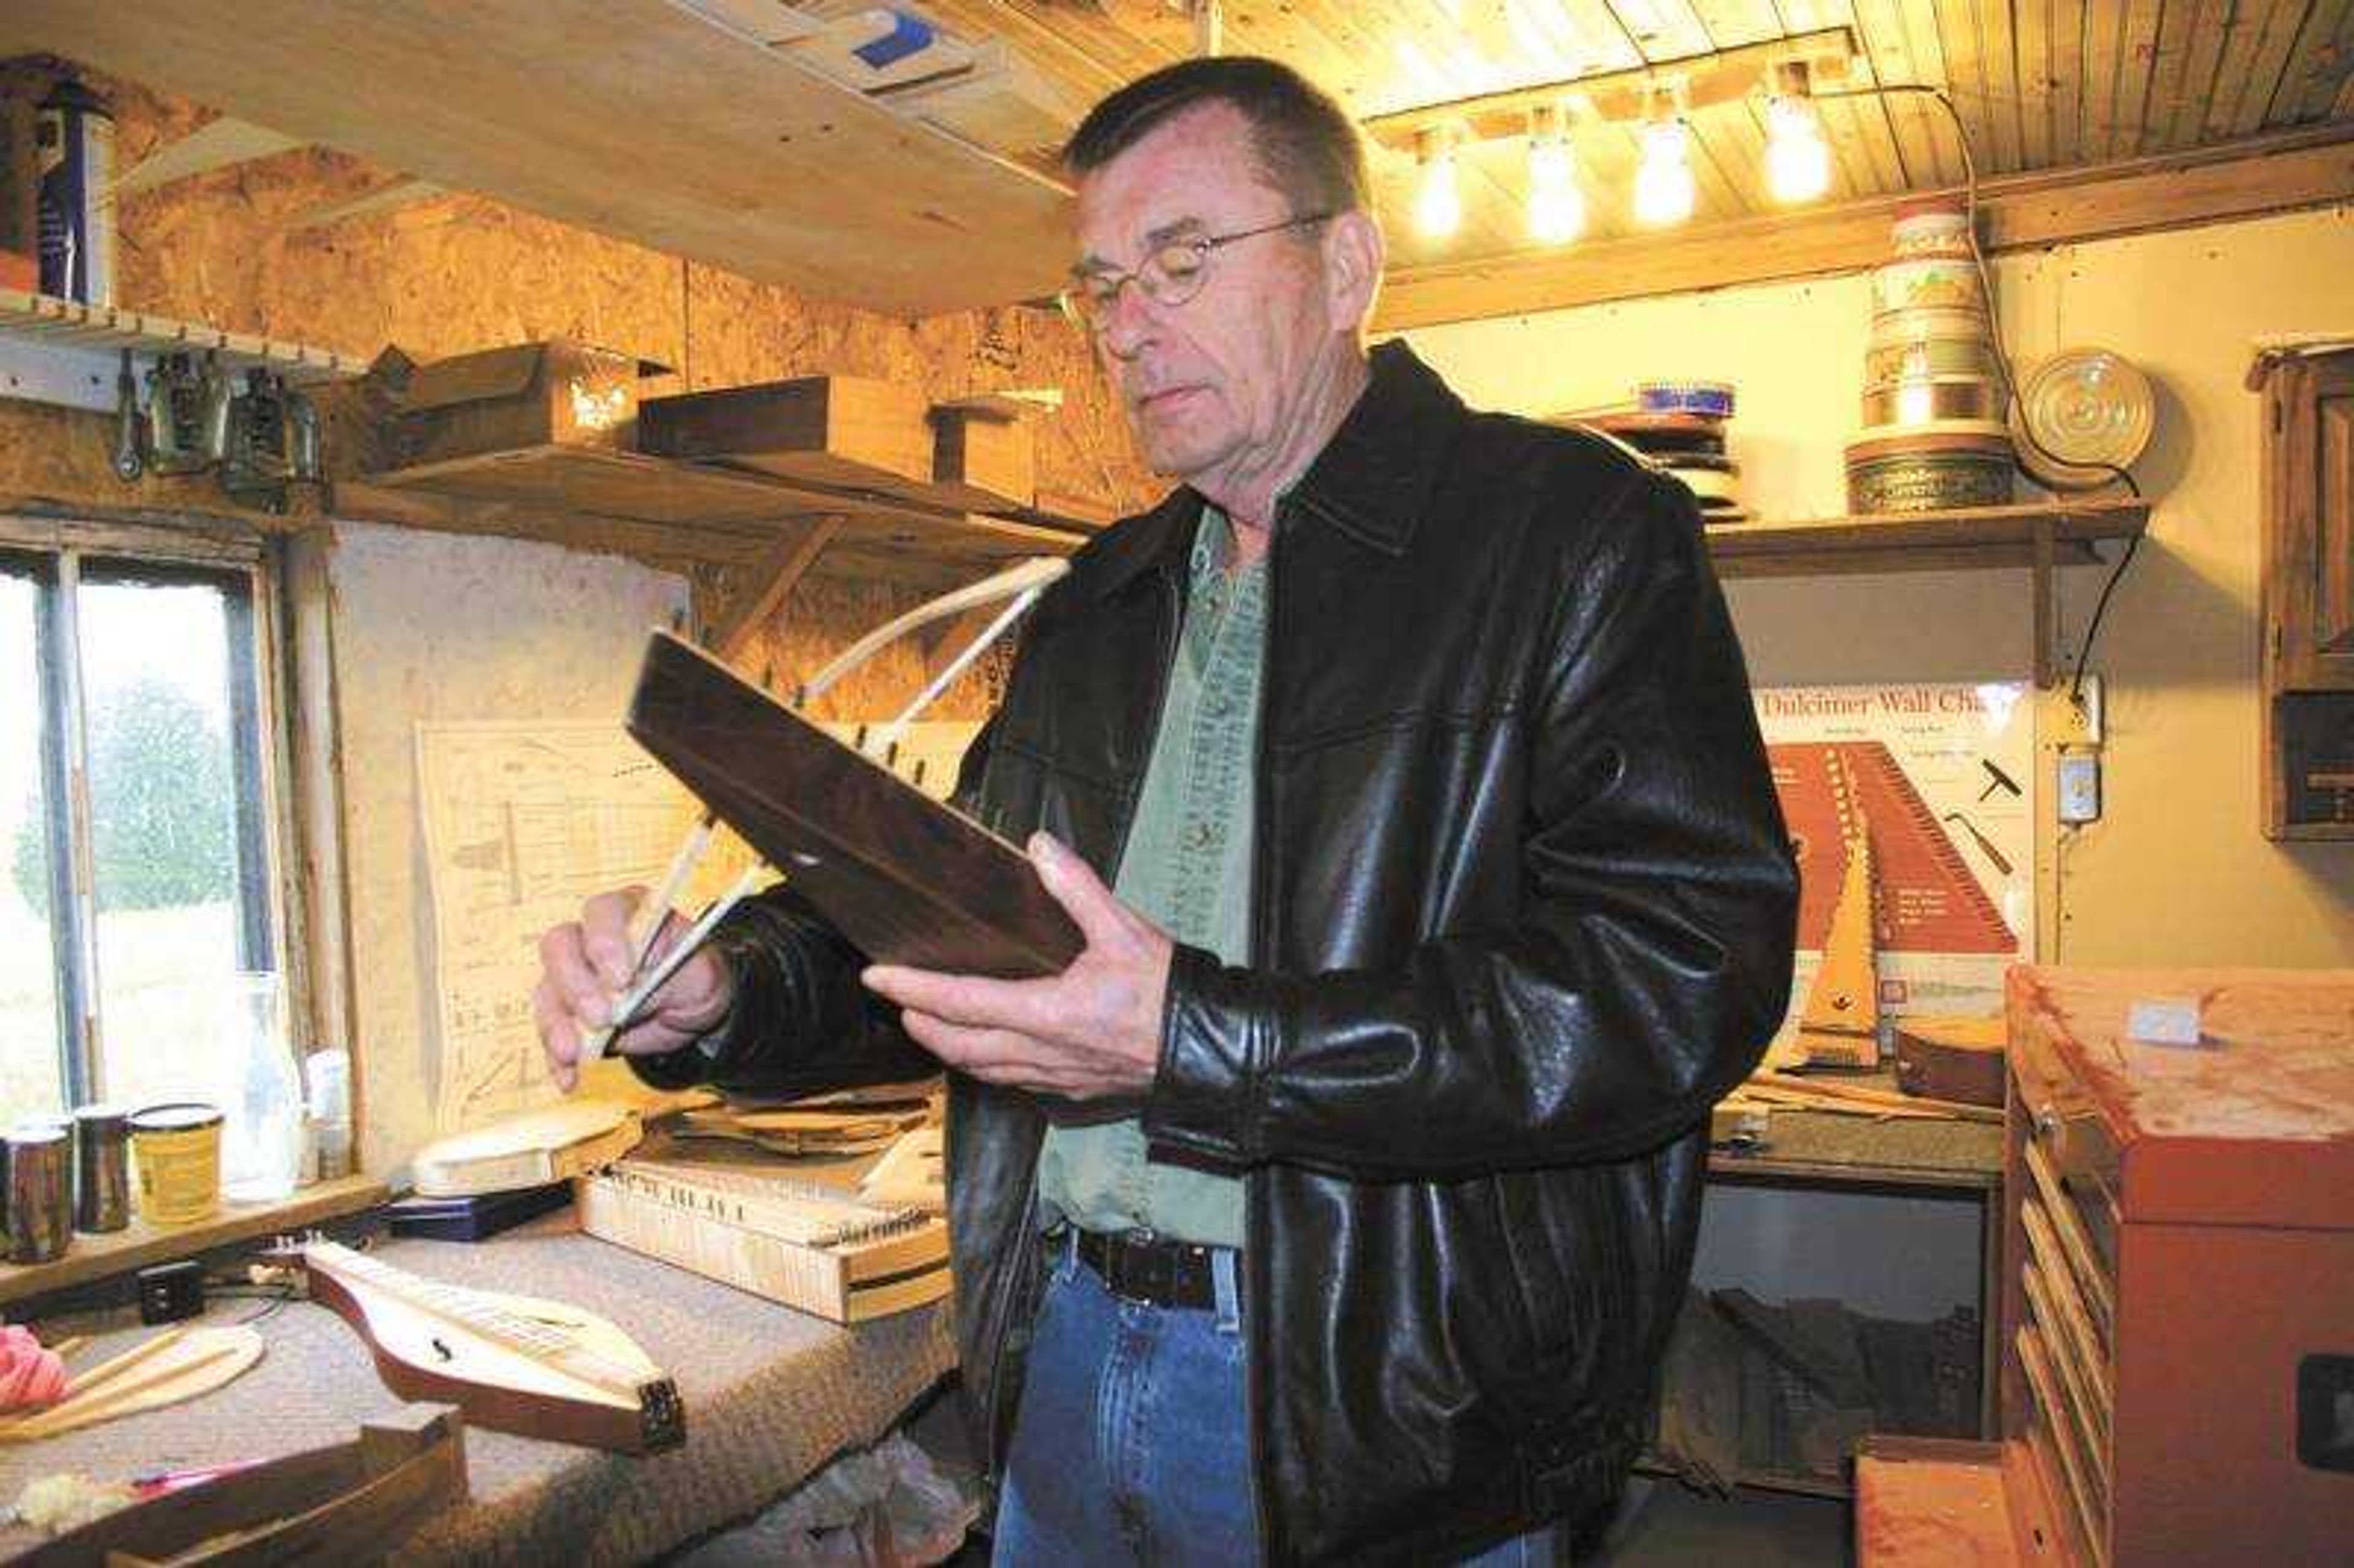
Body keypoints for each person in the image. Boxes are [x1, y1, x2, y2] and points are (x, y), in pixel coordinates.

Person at [534, 55, 1797, 1567]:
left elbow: (1676, 986)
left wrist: (1187, 1039)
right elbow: (969, 936)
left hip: (1383, 1405)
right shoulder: (1099, 601)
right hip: (1062, 1351)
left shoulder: (1576, 535)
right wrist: (730, 984)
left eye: (1183, 261)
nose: (1130, 326)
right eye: (1100, 287)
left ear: (1346, 266)